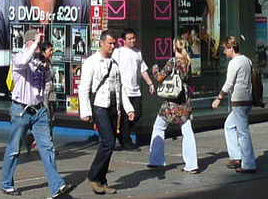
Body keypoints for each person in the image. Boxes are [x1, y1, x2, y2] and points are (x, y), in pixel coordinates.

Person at [1, 28, 70, 199]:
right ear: (29, 42)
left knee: (47, 148)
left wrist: (46, 65)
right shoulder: (19, 57)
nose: (40, 46)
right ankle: (6, 183)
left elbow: (48, 80)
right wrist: (35, 44)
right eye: (37, 42)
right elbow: (23, 61)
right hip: (21, 110)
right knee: (14, 149)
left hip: (39, 110)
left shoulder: (40, 61)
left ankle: (57, 185)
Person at [79, 30, 135, 194]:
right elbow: (84, 88)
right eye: (110, 43)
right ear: (101, 43)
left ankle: (102, 180)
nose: (112, 46)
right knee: (108, 142)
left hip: (113, 107)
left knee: (109, 144)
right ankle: (94, 176)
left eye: (114, 43)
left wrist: (128, 108)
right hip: (99, 106)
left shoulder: (114, 63)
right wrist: (86, 111)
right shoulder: (91, 62)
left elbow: (120, 88)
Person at [146, 46, 199, 174]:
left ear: (175, 48)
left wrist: (154, 71)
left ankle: (156, 160)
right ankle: (192, 165)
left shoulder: (173, 61)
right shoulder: (188, 62)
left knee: (159, 127)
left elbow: (160, 77)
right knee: (187, 131)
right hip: (184, 100)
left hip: (172, 102)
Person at [211, 35, 256, 173]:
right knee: (229, 126)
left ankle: (249, 164)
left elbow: (229, 83)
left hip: (239, 101)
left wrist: (219, 98)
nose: (225, 52)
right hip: (247, 99)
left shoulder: (234, 62)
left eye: (225, 49)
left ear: (231, 48)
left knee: (243, 133)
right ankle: (236, 156)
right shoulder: (247, 60)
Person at [111, 29, 154, 150]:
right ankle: (127, 143)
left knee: (137, 113)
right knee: (125, 117)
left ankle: (121, 132)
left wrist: (150, 83)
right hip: (124, 91)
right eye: (129, 39)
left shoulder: (137, 53)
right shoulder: (118, 53)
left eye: (133, 38)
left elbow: (143, 70)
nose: (132, 40)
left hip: (136, 90)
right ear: (123, 40)